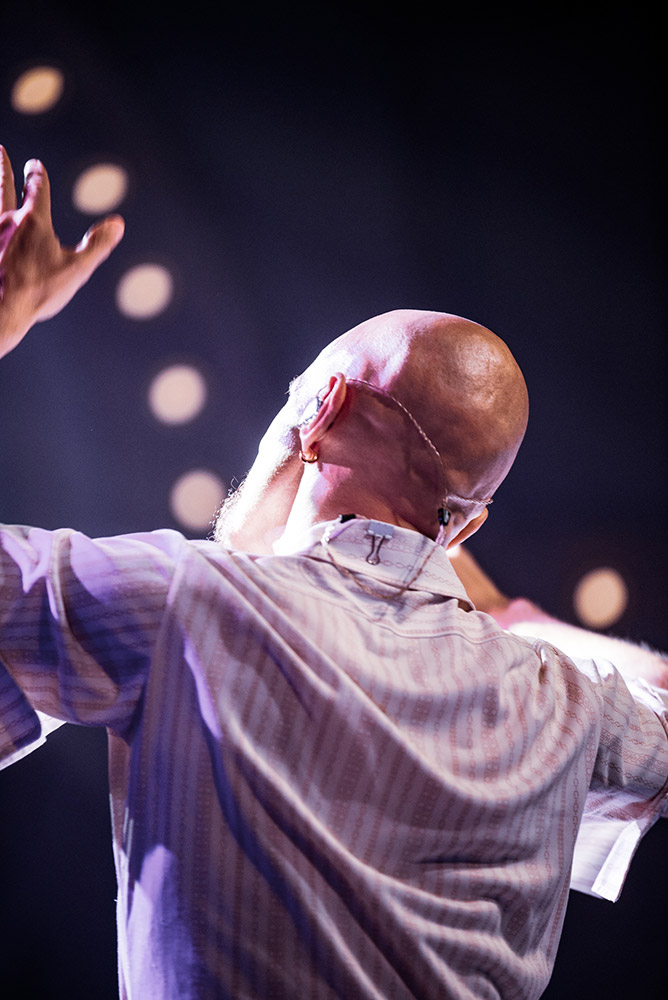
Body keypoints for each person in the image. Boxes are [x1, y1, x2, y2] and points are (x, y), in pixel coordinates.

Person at [1, 146, 667, 1000]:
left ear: (322, 412)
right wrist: (501, 610)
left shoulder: (182, 605)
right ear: (467, 522)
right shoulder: (568, 705)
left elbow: (231, 586)